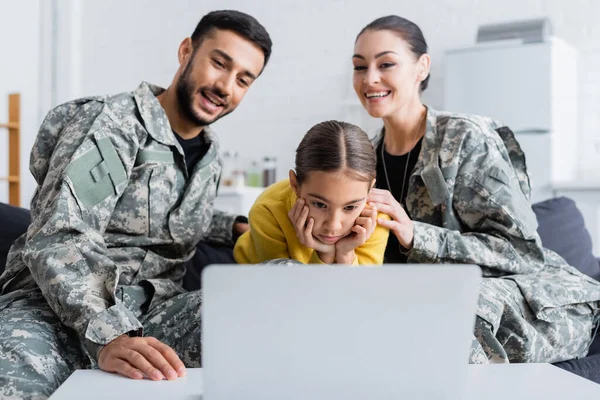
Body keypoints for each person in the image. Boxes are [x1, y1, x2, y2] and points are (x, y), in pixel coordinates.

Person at [0, 10, 272, 398]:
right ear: (186, 51)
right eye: (219, 63)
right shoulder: (111, 123)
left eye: (243, 79)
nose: (226, 86)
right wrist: (110, 333)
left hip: (154, 313)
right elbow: (60, 232)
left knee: (281, 288)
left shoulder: (210, 159)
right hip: (54, 310)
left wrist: (234, 226)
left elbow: (167, 213)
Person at [351, 15, 600, 363]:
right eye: (359, 67)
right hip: (432, 303)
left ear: (422, 67)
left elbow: (523, 252)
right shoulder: (367, 161)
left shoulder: (467, 138)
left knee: (444, 316)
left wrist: (414, 235)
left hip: (527, 305)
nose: (370, 78)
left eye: (386, 63)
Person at [234, 120, 389, 265]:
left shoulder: (376, 219)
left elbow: (361, 291)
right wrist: (325, 254)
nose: (333, 226)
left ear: (370, 190)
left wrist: (345, 254)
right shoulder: (268, 211)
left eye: (350, 207)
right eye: (320, 204)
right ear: (295, 185)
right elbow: (285, 291)